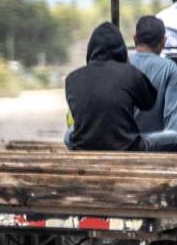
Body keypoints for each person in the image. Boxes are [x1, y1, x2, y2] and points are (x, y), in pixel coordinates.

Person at [64, 22, 156, 151]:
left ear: (90, 49)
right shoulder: (129, 73)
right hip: (127, 149)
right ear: (122, 49)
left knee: (68, 135)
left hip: (83, 149)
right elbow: (149, 102)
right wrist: (127, 64)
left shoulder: (71, 79)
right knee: (174, 138)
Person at [128, 16, 177, 152]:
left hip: (122, 145)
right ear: (163, 41)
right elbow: (174, 129)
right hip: (156, 149)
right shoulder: (169, 68)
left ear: (135, 38)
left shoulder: (120, 63)